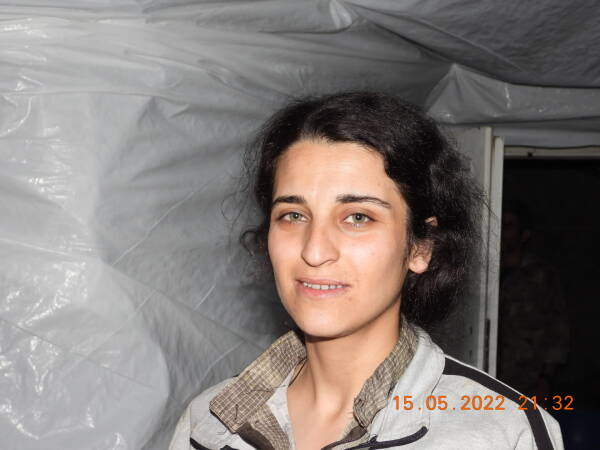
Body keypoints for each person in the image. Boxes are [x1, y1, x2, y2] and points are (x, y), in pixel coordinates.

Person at [168, 92, 564, 449]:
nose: (314, 251)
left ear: (421, 246)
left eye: (358, 217)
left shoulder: (499, 432)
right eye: (292, 215)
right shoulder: (207, 424)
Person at [497, 198, 570, 404]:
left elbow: (558, 331)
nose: (502, 231)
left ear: (524, 235)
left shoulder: (541, 277)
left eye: (509, 226)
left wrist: (546, 379)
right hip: (488, 376)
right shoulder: (485, 276)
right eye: (500, 224)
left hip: (526, 382)